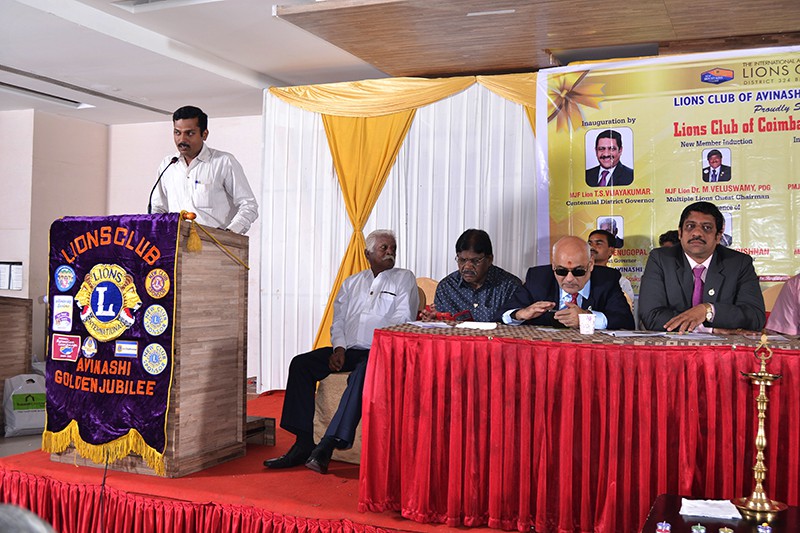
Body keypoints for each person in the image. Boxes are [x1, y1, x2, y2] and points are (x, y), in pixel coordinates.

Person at [264, 230, 418, 474]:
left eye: (393, 248)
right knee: (301, 364)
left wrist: (376, 348)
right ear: (367, 253)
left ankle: (328, 444)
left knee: (362, 373)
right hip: (349, 350)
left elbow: (403, 318)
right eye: (384, 248)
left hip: (381, 350)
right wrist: (339, 348)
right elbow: (339, 321)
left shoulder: (404, 278)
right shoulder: (352, 282)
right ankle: (303, 442)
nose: (390, 252)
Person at [638, 201, 765, 332]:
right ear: (680, 233)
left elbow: (755, 317)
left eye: (707, 227)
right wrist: (709, 329)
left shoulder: (738, 263)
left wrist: (708, 310)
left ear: (718, 236)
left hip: (720, 345)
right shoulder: (661, 259)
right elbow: (651, 316)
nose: (697, 233)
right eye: (690, 226)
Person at [150, 105, 259, 234]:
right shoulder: (167, 165)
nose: (182, 139)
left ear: (204, 134)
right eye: (177, 133)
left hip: (215, 243)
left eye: (190, 133)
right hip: (175, 242)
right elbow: (158, 208)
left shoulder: (223, 162)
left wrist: (230, 233)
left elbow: (248, 205)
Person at [497, 236, 634, 330]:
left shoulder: (607, 280)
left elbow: (626, 321)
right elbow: (502, 315)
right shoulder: (538, 279)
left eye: (578, 271)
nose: (569, 279)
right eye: (561, 271)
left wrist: (587, 319)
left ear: (590, 265)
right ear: (553, 266)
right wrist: (520, 314)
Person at [420, 229, 520, 322]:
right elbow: (441, 323)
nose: (467, 267)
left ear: (489, 259)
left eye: (475, 261)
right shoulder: (447, 287)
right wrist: (433, 319)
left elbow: (518, 326)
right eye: (462, 260)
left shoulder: (509, 286)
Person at [588, 229, 634, 305]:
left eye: (598, 243)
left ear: (611, 251)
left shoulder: (620, 282)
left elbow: (624, 310)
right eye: (590, 243)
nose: (592, 247)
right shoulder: (578, 275)